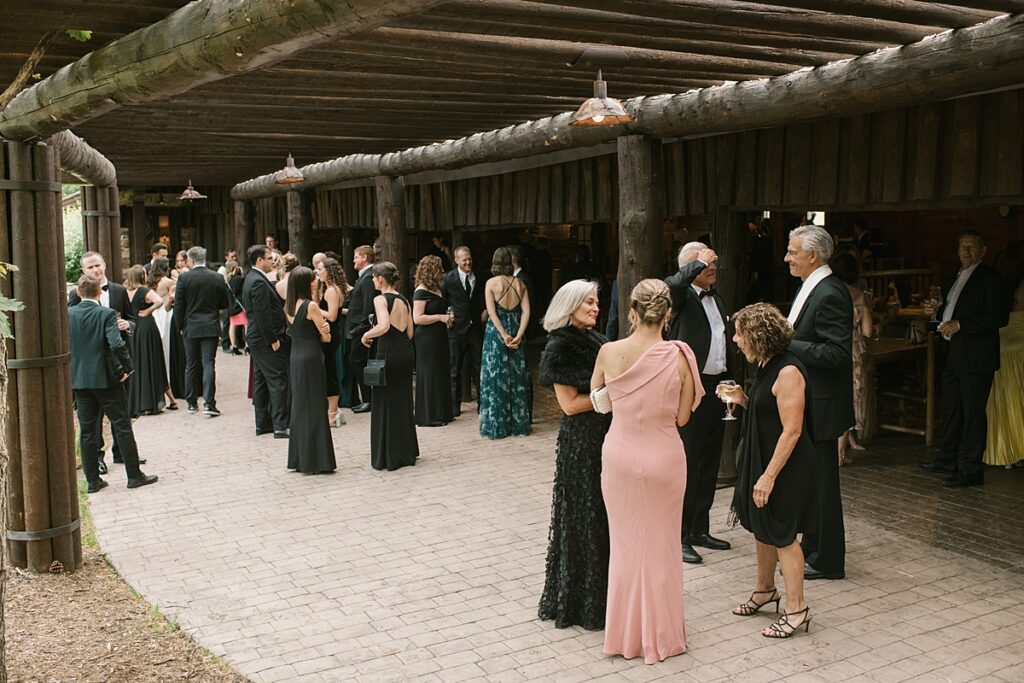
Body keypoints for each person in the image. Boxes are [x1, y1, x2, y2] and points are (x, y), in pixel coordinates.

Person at [592, 278, 700, 664]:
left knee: (624, 546)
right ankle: (663, 635)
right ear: (668, 315)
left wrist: (625, 395)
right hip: (664, 456)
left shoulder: (608, 351)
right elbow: (684, 416)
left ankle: (624, 636)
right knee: (663, 546)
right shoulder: (680, 356)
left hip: (620, 455)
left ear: (633, 314)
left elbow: (600, 404)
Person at [723, 303, 816, 639]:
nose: (735, 340)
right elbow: (769, 411)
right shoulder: (766, 364)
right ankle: (765, 591)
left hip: (786, 465)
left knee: (782, 534)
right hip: (766, 458)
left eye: (740, 334)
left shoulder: (788, 372)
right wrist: (745, 400)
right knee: (763, 526)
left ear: (758, 336)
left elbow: (792, 430)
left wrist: (768, 476)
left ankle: (797, 609)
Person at [537, 280, 611, 630]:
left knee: (604, 515)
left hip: (607, 437)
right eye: (589, 303)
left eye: (597, 302)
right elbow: (568, 405)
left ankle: (608, 594)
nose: (596, 308)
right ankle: (583, 602)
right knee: (585, 514)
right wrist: (607, 399)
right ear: (570, 306)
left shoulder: (596, 339)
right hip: (581, 442)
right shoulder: (559, 346)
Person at [784, 225, 853, 581]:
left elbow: (837, 353)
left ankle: (828, 559)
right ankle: (813, 547)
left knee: (823, 484)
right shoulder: (812, 287)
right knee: (811, 481)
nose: (787, 258)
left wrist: (786, 342)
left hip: (823, 403)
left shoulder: (829, 293)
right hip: (810, 399)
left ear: (813, 256)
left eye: (793, 252)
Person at [921, 230, 1009, 487]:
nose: (966, 252)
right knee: (952, 410)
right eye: (962, 247)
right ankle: (946, 458)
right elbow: (943, 319)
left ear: (983, 251)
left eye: (971, 247)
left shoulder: (991, 279)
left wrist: (962, 324)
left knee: (972, 414)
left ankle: (972, 470)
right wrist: (933, 315)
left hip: (977, 357)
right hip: (953, 354)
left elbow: (998, 317)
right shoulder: (954, 277)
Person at [665, 242, 733, 565]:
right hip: (690, 389)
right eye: (705, 264)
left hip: (717, 388)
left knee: (709, 459)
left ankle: (699, 528)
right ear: (689, 268)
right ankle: (679, 536)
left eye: (712, 261)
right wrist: (696, 264)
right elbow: (671, 285)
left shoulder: (716, 297)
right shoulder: (680, 297)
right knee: (688, 461)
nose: (712, 266)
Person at [69, 274, 157, 493]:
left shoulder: (68, 314)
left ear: (79, 293)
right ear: (100, 292)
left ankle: (93, 481)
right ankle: (134, 475)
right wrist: (127, 368)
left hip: (80, 380)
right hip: (107, 379)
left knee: (87, 431)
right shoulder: (106, 314)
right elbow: (116, 344)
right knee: (122, 424)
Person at [68, 251, 135, 474]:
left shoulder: (118, 290)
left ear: (105, 265)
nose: (95, 270)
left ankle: (118, 456)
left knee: (114, 419)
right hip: (107, 370)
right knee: (108, 421)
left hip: (87, 375)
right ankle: (100, 460)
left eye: (98, 265)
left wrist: (128, 325)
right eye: (90, 267)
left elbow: (131, 317)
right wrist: (127, 367)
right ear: (83, 271)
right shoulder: (74, 297)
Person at [361, 262, 419, 471]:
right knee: (402, 401)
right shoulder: (404, 299)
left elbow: (384, 325)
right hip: (405, 353)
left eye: (374, 278)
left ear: (381, 279)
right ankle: (406, 451)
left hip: (388, 355)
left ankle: (388, 455)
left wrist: (367, 334)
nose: (373, 281)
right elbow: (411, 332)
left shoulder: (380, 299)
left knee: (385, 403)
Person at [282, 267, 337, 474]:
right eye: (312, 279)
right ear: (306, 283)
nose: (315, 280)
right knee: (315, 405)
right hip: (312, 356)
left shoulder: (288, 306)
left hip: (295, 357)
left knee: (301, 406)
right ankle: (318, 459)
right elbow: (326, 337)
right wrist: (326, 332)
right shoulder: (311, 306)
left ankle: (300, 458)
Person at [479, 247, 532, 439]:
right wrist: (518, 335)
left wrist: (504, 335)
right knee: (517, 377)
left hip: (496, 334)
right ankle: (518, 425)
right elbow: (527, 312)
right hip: (516, 329)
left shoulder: (491, 283)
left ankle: (496, 425)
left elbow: (491, 313)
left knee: (496, 378)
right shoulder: (520, 283)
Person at [173, 246, 230, 416]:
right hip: (211, 324)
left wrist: (179, 327)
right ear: (204, 258)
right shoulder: (217, 277)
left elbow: (179, 306)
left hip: (190, 325)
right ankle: (209, 403)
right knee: (208, 363)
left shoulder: (184, 279)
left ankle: (191, 403)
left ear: (190, 260)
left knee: (191, 364)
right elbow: (224, 303)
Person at [242, 245, 290, 438]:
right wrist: (273, 340)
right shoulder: (258, 282)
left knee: (260, 381)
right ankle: (280, 425)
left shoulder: (252, 278)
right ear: (259, 260)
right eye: (269, 258)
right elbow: (263, 315)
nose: (272, 261)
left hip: (256, 337)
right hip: (264, 339)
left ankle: (263, 424)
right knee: (278, 379)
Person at [831, 252, 873, 466]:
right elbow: (867, 330)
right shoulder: (858, 294)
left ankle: (842, 445)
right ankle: (840, 452)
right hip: (853, 350)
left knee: (836, 395)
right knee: (852, 398)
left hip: (831, 349)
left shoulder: (829, 292)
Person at [985, 241, 1024, 467]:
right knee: (1019, 401)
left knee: (1004, 401)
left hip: (1000, 347)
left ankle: (1007, 451)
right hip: (1020, 348)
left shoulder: (996, 284)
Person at [440, 246, 485, 417]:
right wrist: (446, 316)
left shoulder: (480, 276)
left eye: (469, 258)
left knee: (479, 367)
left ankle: (483, 405)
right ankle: (454, 406)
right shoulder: (448, 278)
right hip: (455, 329)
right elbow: (442, 300)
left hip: (475, 328)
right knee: (454, 369)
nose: (468, 262)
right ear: (456, 260)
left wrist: (486, 309)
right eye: (464, 259)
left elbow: (485, 297)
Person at [412, 255, 454, 427]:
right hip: (427, 338)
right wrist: (440, 317)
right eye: (439, 268)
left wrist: (447, 318)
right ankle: (429, 415)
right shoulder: (421, 291)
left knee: (440, 371)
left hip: (439, 335)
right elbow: (417, 318)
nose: (442, 271)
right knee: (430, 373)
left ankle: (443, 411)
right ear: (432, 270)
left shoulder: (437, 287)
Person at [124, 265, 172, 417]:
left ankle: (141, 402)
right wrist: (149, 310)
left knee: (139, 363)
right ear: (141, 276)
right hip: (147, 326)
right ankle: (153, 401)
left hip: (134, 327)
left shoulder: (126, 292)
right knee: (153, 360)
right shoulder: (145, 291)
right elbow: (159, 301)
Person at [345, 245, 377, 413]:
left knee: (357, 361)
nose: (354, 260)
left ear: (364, 257)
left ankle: (369, 399)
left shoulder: (368, 278)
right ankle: (367, 399)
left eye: (356, 257)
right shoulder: (363, 277)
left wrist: (361, 329)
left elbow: (368, 306)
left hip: (362, 330)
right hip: (359, 328)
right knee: (357, 361)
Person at [317, 257, 346, 427]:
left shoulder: (332, 291)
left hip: (331, 334)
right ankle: (334, 410)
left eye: (320, 269)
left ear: (329, 271)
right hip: (329, 332)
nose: (318, 271)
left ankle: (333, 412)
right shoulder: (329, 289)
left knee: (330, 372)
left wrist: (314, 308)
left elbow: (333, 315)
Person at [224, 259, 246, 355]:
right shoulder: (240, 279)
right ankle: (248, 346)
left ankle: (233, 346)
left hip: (230, 306)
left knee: (232, 326)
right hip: (240, 306)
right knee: (246, 324)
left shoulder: (226, 281)